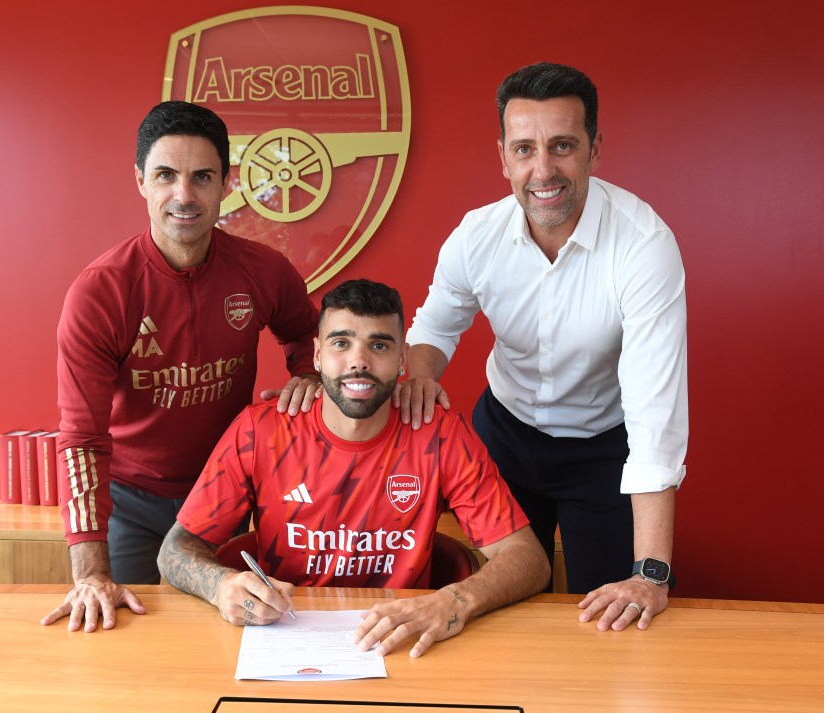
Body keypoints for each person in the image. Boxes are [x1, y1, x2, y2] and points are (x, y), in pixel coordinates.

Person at [398, 62, 687, 632]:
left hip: (604, 449)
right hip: (503, 438)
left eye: (562, 146)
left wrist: (652, 573)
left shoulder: (645, 245)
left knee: (610, 616)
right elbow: (435, 325)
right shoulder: (475, 235)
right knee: (490, 608)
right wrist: (422, 377)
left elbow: (656, 417)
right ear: (503, 156)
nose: (543, 169)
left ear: (594, 149)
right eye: (525, 148)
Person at [41, 101, 321, 632]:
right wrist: (90, 570)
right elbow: (80, 439)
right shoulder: (100, 292)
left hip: (228, 496)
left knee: (243, 629)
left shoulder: (262, 270)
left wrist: (308, 376)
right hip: (131, 501)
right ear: (141, 182)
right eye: (166, 176)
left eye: (201, 177)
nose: (183, 195)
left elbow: (310, 335)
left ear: (226, 185)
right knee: (129, 636)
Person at [158, 279, 550, 658]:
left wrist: (454, 599)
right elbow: (176, 550)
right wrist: (219, 584)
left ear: (402, 360)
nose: (359, 361)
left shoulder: (441, 435)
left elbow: (529, 559)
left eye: (378, 345)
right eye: (341, 343)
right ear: (316, 356)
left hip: (401, 643)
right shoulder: (260, 431)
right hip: (284, 640)